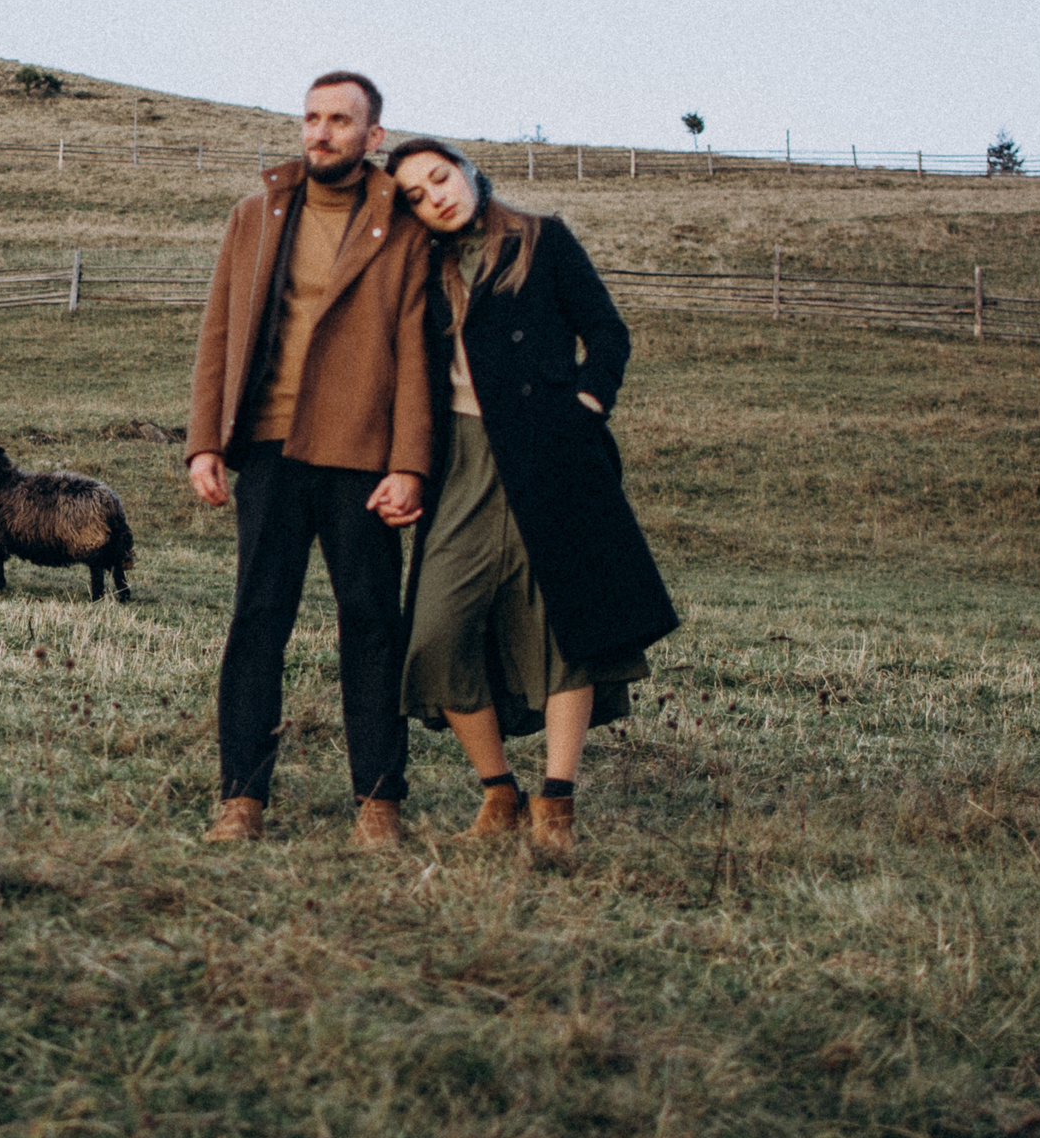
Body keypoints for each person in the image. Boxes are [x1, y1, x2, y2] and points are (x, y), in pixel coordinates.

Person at [384, 137, 676, 853]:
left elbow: (607, 330)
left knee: (564, 630)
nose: (435, 197)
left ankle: (557, 803)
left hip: (553, 455)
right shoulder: (421, 266)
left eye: (439, 178)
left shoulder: (542, 239)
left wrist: (586, 403)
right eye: (416, 195)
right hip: (461, 464)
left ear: (467, 171)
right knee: (434, 635)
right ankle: (499, 790)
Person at [186, 72, 433, 848]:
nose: (320, 132)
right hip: (268, 447)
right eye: (312, 118)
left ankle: (380, 801)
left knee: (372, 625)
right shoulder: (255, 216)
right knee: (258, 622)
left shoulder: (405, 224)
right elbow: (219, 332)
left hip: (362, 454)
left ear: (374, 136)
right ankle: (242, 800)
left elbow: (421, 353)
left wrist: (411, 464)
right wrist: (204, 441)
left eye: (339, 120)